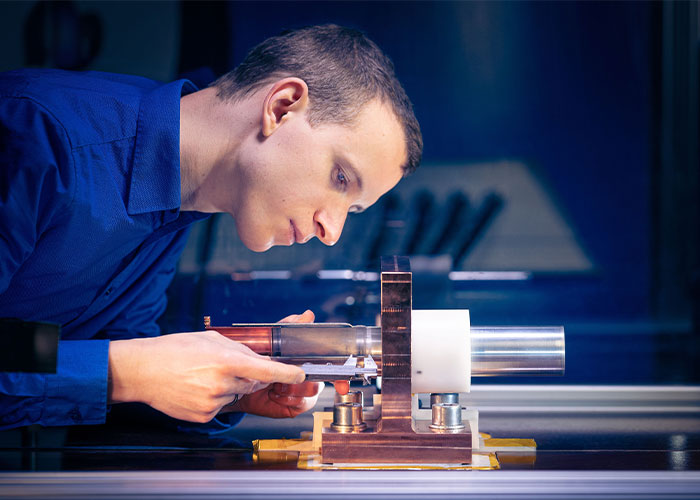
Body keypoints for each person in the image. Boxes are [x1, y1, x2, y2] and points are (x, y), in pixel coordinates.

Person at [0, 24, 422, 431]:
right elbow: (111, 367)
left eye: (355, 209)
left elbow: (74, 362)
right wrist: (124, 372)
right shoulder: (35, 135)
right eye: (341, 178)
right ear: (282, 107)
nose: (332, 231)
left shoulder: (172, 210)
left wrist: (234, 387)